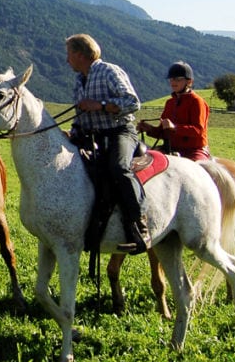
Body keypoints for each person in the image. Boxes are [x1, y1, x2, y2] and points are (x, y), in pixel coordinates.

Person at [65, 33, 148, 254]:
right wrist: (73, 132)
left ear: (80, 55)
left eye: (69, 54)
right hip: (93, 135)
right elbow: (81, 113)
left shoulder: (109, 71)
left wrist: (100, 105)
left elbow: (133, 103)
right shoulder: (79, 80)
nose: (67, 60)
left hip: (120, 132)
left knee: (118, 168)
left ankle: (141, 225)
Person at [137, 61, 211, 160]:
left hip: (193, 150)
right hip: (170, 147)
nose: (173, 82)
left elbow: (198, 131)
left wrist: (175, 127)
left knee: (196, 170)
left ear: (189, 82)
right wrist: (149, 129)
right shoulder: (170, 103)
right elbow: (163, 133)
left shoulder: (197, 102)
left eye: (177, 79)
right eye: (171, 79)